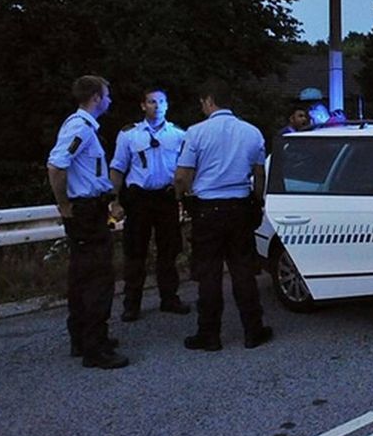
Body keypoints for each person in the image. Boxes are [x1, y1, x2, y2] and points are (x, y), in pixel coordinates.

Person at [174, 79, 273, 351]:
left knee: (209, 274)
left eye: (202, 103)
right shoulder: (252, 132)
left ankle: (209, 334)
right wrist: (257, 202)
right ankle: (253, 330)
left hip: (208, 210)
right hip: (240, 207)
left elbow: (182, 176)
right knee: (243, 271)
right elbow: (259, 175)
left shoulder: (196, 133)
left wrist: (182, 198)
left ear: (209, 100)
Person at [47, 75, 128, 369]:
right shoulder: (80, 128)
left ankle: (82, 338)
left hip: (89, 210)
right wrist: (64, 205)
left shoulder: (84, 127)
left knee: (82, 276)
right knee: (98, 279)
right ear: (96, 97)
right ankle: (95, 347)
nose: (110, 100)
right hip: (85, 212)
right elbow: (56, 166)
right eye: (107, 95)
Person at [109, 88, 191, 322]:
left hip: (166, 198)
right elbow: (117, 168)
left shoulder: (178, 135)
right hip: (139, 200)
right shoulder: (130, 135)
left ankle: (169, 298)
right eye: (152, 102)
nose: (157, 106)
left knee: (169, 251)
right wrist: (114, 200)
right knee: (135, 252)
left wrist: (183, 196)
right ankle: (132, 304)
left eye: (161, 102)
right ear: (143, 105)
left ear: (167, 105)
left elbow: (186, 169)